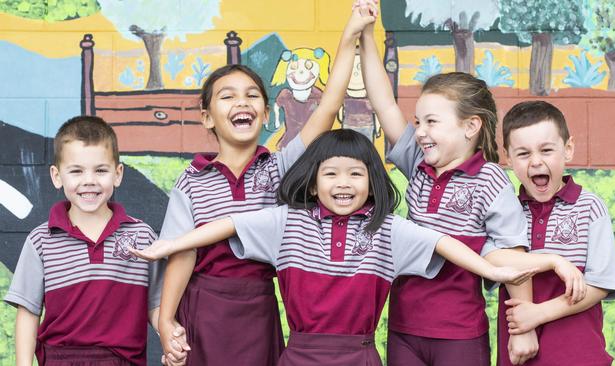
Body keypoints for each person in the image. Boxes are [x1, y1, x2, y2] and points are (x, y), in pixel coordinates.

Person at [130, 128, 537, 366]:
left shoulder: (387, 230)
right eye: (332, 174)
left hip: (359, 355)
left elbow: (444, 243)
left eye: (355, 174)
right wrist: (171, 245)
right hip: (299, 354)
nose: (343, 184)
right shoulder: (286, 222)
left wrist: (494, 271)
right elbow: (226, 225)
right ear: (312, 182)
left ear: (372, 181)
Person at [156, 3, 380, 365]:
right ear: (207, 118)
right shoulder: (192, 179)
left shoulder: (280, 167)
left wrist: (349, 35)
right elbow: (182, 252)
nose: (240, 102)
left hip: (259, 304)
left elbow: (326, 110)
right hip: (204, 306)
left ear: (265, 112)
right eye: (227, 96)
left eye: (251, 95)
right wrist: (167, 320)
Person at [357, 11, 585, 365]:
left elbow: (514, 253)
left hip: (460, 332)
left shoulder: (490, 178)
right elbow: (383, 102)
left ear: (470, 126)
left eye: (432, 121)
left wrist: (523, 329)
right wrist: (367, 35)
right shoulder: (415, 161)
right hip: (404, 329)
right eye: (418, 121)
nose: (420, 131)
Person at [5, 116, 162, 366]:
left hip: (123, 360)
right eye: (76, 171)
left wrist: (170, 333)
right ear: (57, 176)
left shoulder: (141, 236)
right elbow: (28, 312)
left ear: (118, 174)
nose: (89, 180)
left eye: (100, 170)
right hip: (61, 359)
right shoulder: (41, 241)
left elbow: (157, 305)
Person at [495, 101, 615, 365]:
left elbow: (601, 284)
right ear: (507, 157)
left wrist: (537, 314)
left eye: (546, 150)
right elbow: (492, 260)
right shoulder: (504, 210)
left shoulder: (590, 207)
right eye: (523, 153)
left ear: (567, 149)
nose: (536, 161)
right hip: (519, 355)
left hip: (579, 356)